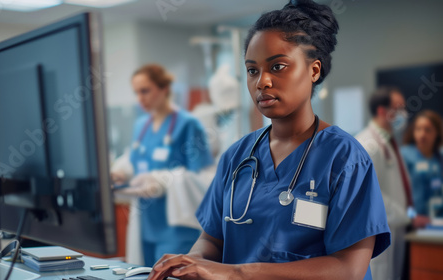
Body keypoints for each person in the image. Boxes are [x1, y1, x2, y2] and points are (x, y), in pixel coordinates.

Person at [148, 1, 391, 279]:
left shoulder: (345, 158)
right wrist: (193, 261)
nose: (262, 81)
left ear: (314, 70)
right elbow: (212, 240)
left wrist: (238, 272)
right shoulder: (237, 156)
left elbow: (348, 269)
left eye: (277, 66)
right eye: (252, 70)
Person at [111, 64, 213, 267]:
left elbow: (203, 179)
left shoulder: (188, 124)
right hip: (146, 222)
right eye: (137, 92)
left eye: (145, 91)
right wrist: (122, 172)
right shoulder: (141, 126)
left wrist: (162, 181)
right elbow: (135, 161)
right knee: (145, 272)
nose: (140, 98)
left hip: (176, 226)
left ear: (164, 88)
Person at [356, 87, 424, 280]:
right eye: (399, 107)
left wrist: (409, 216)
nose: (404, 113)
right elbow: (370, 195)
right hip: (379, 232)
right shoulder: (368, 145)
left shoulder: (389, 142)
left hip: (395, 226)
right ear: (382, 111)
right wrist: (408, 217)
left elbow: (399, 192)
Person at [401, 110, 443, 219]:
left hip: (438, 218)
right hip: (413, 219)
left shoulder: (440, 157)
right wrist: (411, 217)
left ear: (437, 133)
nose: (422, 134)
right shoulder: (405, 155)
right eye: (418, 129)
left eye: (428, 130)